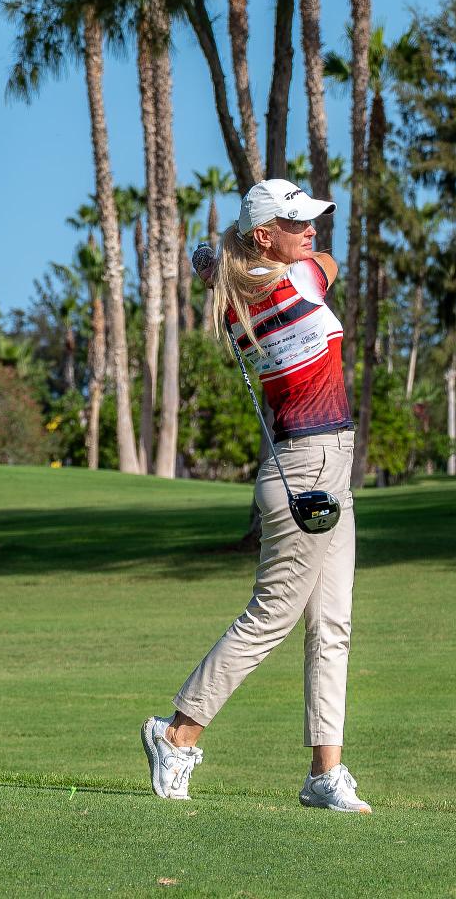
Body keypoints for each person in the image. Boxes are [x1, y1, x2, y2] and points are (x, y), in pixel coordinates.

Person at [140, 178, 370, 813]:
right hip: (308, 465)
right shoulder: (293, 283)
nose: (312, 233)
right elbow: (330, 264)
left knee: (332, 622)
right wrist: (231, 257)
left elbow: (272, 261)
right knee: (272, 615)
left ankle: (325, 775)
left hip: (325, 464)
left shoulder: (244, 289)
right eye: (298, 224)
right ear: (266, 236)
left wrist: (223, 259)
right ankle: (176, 735)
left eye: (310, 222)